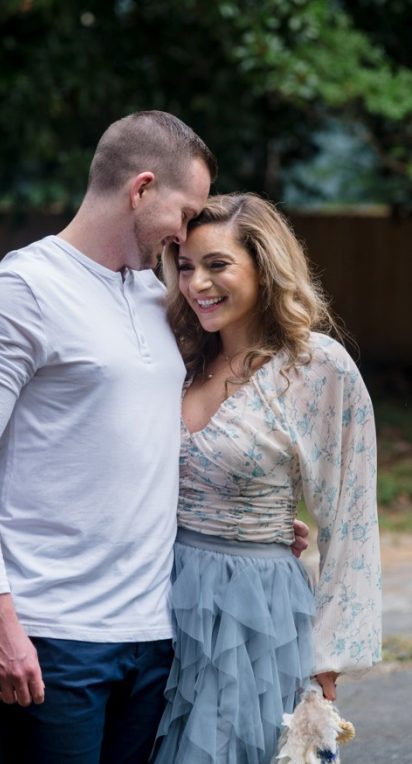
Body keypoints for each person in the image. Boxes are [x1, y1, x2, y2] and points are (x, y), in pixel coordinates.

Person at [0, 111, 216, 763]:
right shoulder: (19, 291)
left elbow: (154, 446)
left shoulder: (157, 299)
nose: (188, 234)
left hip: (155, 637)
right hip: (52, 639)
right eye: (187, 212)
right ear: (141, 190)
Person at [149, 193, 380, 762]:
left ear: (266, 267)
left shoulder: (315, 367)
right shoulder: (172, 356)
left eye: (218, 264)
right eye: (186, 267)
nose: (197, 283)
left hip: (258, 616)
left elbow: (350, 522)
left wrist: (326, 664)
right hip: (157, 598)